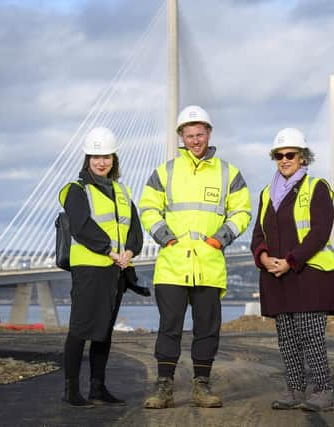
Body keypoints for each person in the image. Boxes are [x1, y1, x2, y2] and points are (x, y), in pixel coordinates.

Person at [139, 105, 252, 409]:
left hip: (210, 264)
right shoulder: (166, 172)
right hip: (172, 265)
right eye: (189, 135)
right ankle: (164, 388)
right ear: (181, 136)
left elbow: (242, 211)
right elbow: (148, 208)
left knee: (207, 329)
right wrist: (166, 237)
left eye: (200, 134)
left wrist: (222, 237)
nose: (195, 140)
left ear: (209, 133)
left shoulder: (229, 172)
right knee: (169, 328)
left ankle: (201, 387)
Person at [250, 127, 334, 412]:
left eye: (290, 154)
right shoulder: (267, 193)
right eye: (278, 156)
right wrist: (264, 257)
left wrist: (290, 261)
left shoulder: (316, 187)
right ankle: (294, 390)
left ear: (303, 156)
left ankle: (323, 390)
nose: (284, 160)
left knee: (310, 335)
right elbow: (258, 235)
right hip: (277, 278)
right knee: (287, 338)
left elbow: (320, 233)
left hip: (308, 276)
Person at [58, 126, 149, 407]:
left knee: (104, 331)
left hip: (117, 271)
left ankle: (98, 387)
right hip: (90, 269)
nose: (101, 162)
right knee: (80, 330)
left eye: (106, 156)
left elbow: (134, 228)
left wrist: (130, 251)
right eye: (95, 156)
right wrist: (111, 252)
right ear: (87, 159)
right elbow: (82, 227)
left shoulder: (122, 190)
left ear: (114, 158)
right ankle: (72, 391)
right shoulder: (75, 190)